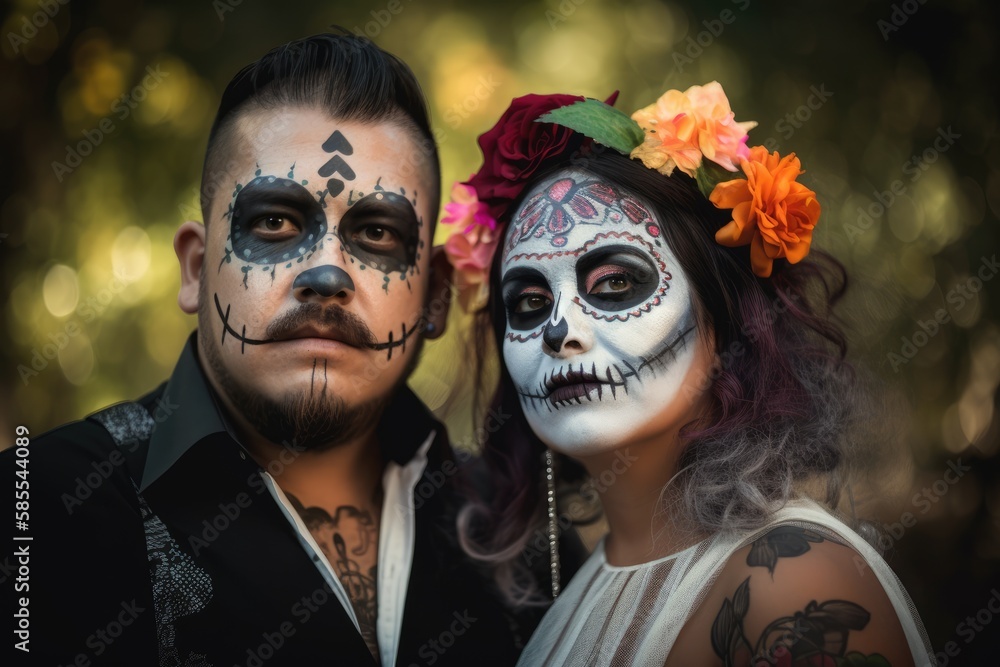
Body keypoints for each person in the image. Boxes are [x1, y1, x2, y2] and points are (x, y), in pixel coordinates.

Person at [1, 33, 524, 666]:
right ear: (195, 270)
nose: (327, 275)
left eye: (378, 232)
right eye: (275, 221)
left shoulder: (518, 531)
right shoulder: (35, 512)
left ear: (436, 295)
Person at [451, 85, 934, 666]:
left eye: (613, 285)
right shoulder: (573, 591)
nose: (558, 330)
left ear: (728, 320)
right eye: (527, 304)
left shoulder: (797, 586)